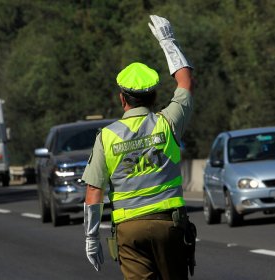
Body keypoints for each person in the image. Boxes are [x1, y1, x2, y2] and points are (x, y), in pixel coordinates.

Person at [82, 15, 196, 279]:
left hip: (128, 230)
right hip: (169, 224)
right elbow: (186, 82)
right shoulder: (167, 123)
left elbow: (93, 190)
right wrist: (168, 42)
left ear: (122, 98)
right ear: (154, 96)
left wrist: (91, 237)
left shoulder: (106, 137)